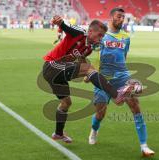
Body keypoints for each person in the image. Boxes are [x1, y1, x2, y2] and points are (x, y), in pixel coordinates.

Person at [42, 15, 135, 143]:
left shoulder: (89, 49)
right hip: (52, 66)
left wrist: (87, 73)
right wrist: (60, 22)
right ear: (91, 31)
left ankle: (58, 133)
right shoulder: (80, 33)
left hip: (56, 75)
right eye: (100, 35)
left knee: (66, 103)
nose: (101, 39)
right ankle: (116, 94)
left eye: (103, 36)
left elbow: (81, 60)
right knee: (89, 69)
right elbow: (65, 26)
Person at [87, 8, 155, 157]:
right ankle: (94, 130)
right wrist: (90, 73)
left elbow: (124, 56)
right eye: (119, 16)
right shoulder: (102, 34)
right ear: (111, 17)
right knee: (100, 113)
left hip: (122, 76)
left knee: (135, 106)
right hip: (103, 78)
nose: (122, 19)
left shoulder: (126, 36)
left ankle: (144, 146)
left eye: (123, 17)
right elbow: (92, 52)